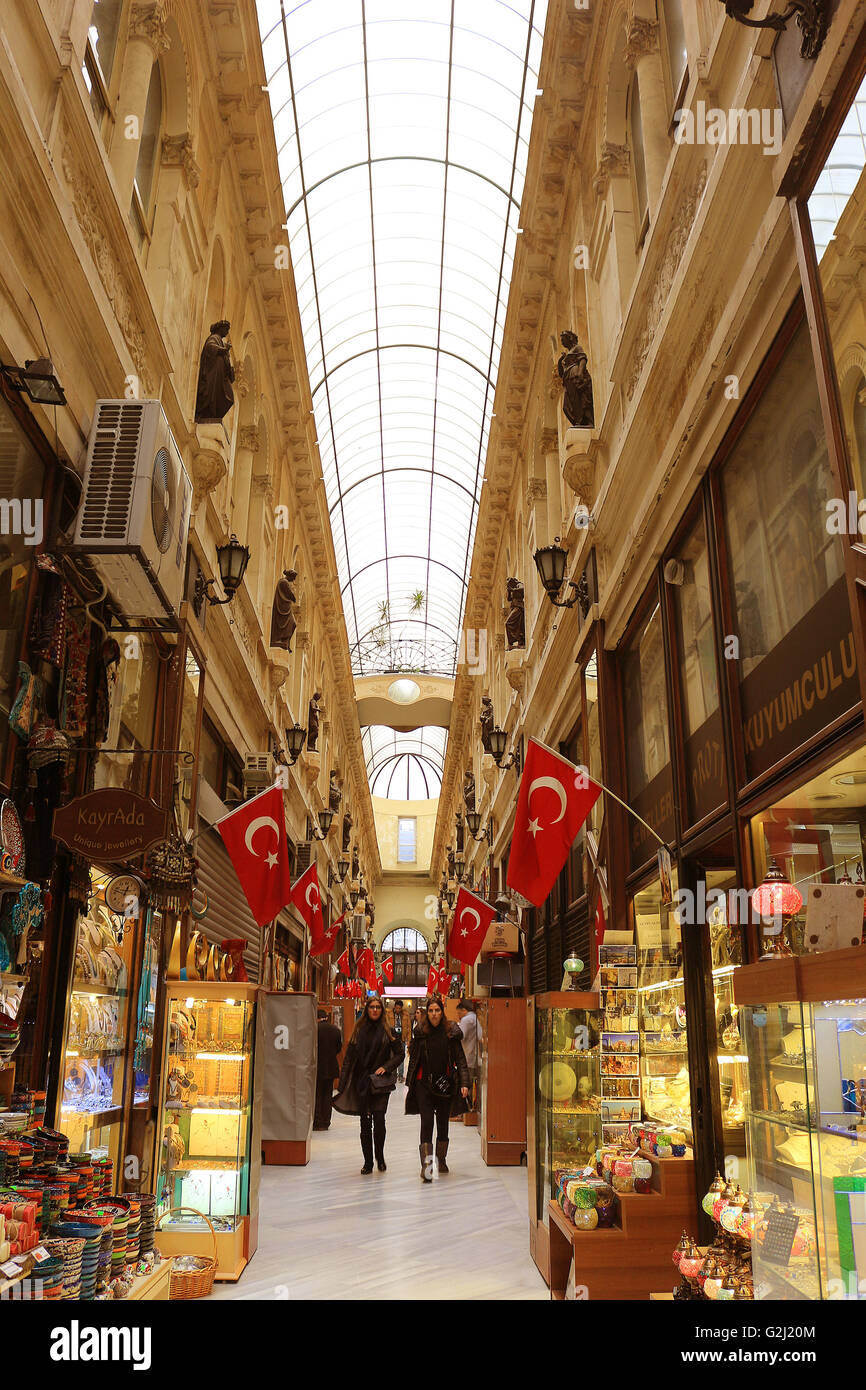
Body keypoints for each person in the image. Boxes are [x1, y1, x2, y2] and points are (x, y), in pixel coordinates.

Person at [333, 995, 403, 1174]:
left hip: (380, 1084)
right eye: (371, 1007)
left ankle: (380, 1157)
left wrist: (385, 1067)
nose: (374, 1010)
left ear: (381, 1010)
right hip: (362, 1082)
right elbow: (348, 1059)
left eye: (378, 1007)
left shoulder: (389, 1031)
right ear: (367, 1010)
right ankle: (368, 1162)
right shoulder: (359, 1030)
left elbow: (399, 1054)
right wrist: (341, 1086)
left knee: (379, 1121)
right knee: (365, 1123)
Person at [405, 995, 470, 1181]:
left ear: (442, 1013)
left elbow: (460, 1060)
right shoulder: (421, 1033)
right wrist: (409, 1084)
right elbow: (414, 1060)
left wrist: (464, 1083)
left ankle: (441, 1159)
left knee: (442, 1124)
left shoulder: (450, 1033)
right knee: (426, 1122)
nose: (434, 1014)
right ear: (428, 1013)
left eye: (437, 1010)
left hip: (445, 1085)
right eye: (431, 1011)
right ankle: (426, 1166)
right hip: (423, 1084)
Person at [314, 1008, 343, 1131]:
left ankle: (317, 1120)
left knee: (317, 1094)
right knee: (327, 1094)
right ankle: (326, 1121)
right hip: (331, 1066)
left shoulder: (314, 1029)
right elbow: (338, 1048)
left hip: (317, 1066)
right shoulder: (335, 1030)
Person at [456, 997, 482, 1110]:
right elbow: (481, 1037)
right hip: (476, 1057)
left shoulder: (466, 1020)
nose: (458, 1015)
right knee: (474, 1085)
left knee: (466, 1084)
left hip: (467, 1057)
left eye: (458, 1013)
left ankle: (466, 1111)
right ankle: (472, 1109)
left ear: (463, 1010)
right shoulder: (476, 1017)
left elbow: (460, 1036)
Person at [392, 1001, 405, 1081]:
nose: (398, 1009)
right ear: (394, 1007)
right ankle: (393, 1075)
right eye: (396, 1008)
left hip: (402, 1038)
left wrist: (408, 1039)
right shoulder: (390, 1014)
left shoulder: (404, 1015)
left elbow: (408, 1027)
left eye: (399, 1008)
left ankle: (400, 1075)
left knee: (401, 1057)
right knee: (393, 1057)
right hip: (393, 1038)